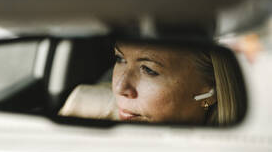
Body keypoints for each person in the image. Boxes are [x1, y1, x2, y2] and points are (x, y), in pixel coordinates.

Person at [59, 42, 246, 126]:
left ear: (210, 92)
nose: (119, 88)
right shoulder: (82, 108)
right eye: (119, 58)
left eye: (149, 70)